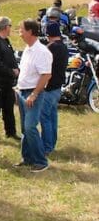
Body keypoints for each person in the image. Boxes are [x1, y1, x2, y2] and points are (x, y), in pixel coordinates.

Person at [14, 19, 53, 172]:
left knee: (30, 127)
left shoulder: (42, 52)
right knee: (25, 128)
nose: (19, 33)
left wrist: (34, 94)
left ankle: (41, 161)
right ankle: (27, 158)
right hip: (23, 91)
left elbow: (46, 75)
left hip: (33, 94)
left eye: (21, 30)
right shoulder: (27, 49)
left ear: (30, 32)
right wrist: (18, 87)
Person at [39, 21, 69, 155]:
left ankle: (47, 147)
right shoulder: (63, 46)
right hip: (58, 87)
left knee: (44, 117)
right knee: (52, 117)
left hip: (49, 88)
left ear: (48, 33)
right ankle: (52, 143)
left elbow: (44, 69)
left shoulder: (50, 48)